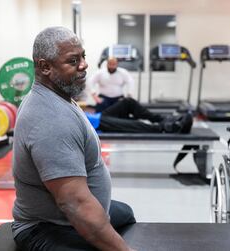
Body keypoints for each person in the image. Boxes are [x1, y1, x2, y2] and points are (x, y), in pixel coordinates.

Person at [11, 26, 136, 251]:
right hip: (45, 227)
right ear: (45, 67)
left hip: (61, 217)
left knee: (125, 213)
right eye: (73, 60)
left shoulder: (59, 94)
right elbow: (74, 203)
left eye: (83, 56)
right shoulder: (49, 118)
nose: (84, 65)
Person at [84, 97, 193, 134]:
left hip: (97, 117)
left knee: (128, 102)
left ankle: (161, 119)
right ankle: (166, 128)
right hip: (95, 126)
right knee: (132, 124)